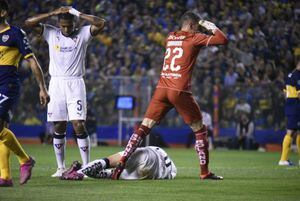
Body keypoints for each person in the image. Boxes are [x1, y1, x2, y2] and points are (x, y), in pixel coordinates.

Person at [111, 12, 228, 180]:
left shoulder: (170, 37)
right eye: (196, 27)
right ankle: (204, 172)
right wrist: (209, 25)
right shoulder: (194, 38)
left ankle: (123, 159)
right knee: (200, 129)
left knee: (144, 127)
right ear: (193, 26)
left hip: (162, 88)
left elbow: (181, 39)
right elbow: (222, 39)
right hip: (180, 90)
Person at [25, 7, 105, 177]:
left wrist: (77, 13)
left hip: (75, 83)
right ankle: (60, 167)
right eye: (63, 26)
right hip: (56, 84)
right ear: (58, 24)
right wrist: (51, 13)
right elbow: (28, 23)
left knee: (79, 124)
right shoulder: (51, 33)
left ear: (74, 24)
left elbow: (101, 23)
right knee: (59, 125)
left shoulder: (83, 33)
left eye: (69, 26)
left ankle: (86, 166)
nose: (66, 29)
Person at [0, 0, 49, 187]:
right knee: (2, 129)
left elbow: (32, 60)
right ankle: (5, 177)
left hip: (7, 85)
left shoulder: (15, 33)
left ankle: (25, 159)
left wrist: (42, 88)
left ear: (3, 12)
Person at [60, 146, 177, 180]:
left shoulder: (154, 151)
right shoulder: (173, 169)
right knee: (111, 174)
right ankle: (81, 170)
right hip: (153, 174)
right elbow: (172, 174)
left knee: (108, 161)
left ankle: (79, 171)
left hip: (147, 155)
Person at [278, 61, 300, 166]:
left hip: (290, 106)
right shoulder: (297, 76)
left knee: (293, 132)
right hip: (296, 106)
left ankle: (284, 159)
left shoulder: (289, 75)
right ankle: (283, 159)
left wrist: (289, 102)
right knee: (291, 132)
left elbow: (284, 92)